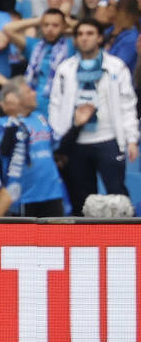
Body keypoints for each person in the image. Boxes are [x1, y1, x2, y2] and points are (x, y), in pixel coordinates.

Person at [49, 18, 139, 216]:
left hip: (109, 139)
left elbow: (127, 104)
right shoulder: (65, 69)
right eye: (80, 34)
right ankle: (85, 243)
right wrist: (60, 138)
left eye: (90, 34)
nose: (84, 38)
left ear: (99, 38)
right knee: (81, 200)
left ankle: (126, 240)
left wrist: (131, 139)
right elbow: (55, 105)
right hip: (76, 142)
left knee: (118, 195)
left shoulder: (116, 67)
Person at [0, 77, 65, 217]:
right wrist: (13, 116)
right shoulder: (2, 123)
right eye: (28, 91)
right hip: (24, 196)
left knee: (55, 237)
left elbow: (55, 147)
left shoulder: (40, 117)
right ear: (15, 98)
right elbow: (4, 150)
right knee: (25, 239)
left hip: (52, 193)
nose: (34, 93)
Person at [4, 8, 75, 115]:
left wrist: (66, 20)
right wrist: (38, 20)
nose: (50, 29)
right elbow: (8, 28)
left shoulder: (72, 45)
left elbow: (87, 28)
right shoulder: (34, 45)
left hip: (62, 106)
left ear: (63, 27)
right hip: (34, 106)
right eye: (46, 25)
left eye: (55, 25)